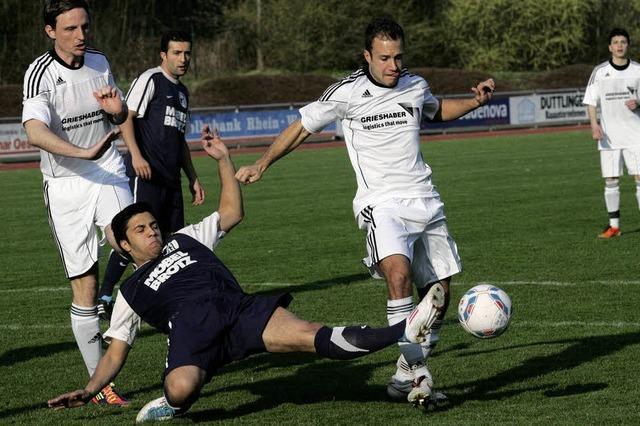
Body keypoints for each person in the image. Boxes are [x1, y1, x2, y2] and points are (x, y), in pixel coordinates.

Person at [47, 126, 445, 422]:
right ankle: (170, 407)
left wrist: (223, 159)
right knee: (180, 389)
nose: (152, 231)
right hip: (194, 339)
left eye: (153, 225)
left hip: (240, 313)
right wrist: (90, 389)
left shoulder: (184, 239)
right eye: (141, 230)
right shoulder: (131, 291)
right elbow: (117, 351)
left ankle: (404, 330)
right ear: (125, 246)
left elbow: (232, 213)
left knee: (312, 335)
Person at [235, 17, 495, 405]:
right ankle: (420, 374)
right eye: (385, 58)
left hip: (425, 198)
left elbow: (436, 111)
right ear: (367, 56)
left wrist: (475, 101)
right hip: (381, 203)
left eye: (398, 57)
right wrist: (262, 163)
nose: (393, 66)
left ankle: (405, 373)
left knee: (439, 292)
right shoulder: (347, 92)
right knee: (398, 274)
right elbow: (302, 127)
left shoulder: (414, 85)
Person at [21, 0, 132, 405]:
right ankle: (101, 384)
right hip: (66, 185)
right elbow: (33, 131)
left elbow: (119, 115)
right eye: (70, 29)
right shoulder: (39, 74)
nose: (81, 35)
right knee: (84, 285)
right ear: (51, 31)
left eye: (85, 26)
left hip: (106, 169)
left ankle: (185, 343)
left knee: (139, 246)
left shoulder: (100, 61)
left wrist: (121, 118)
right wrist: (78, 153)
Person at [97, 30, 205, 320]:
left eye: (187, 54)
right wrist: (136, 155)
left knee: (171, 241)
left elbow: (179, 140)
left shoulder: (182, 93)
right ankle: (105, 294)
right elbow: (127, 116)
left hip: (171, 181)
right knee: (137, 238)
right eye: (177, 53)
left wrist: (192, 176)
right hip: (145, 176)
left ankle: (168, 297)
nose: (183, 59)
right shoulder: (150, 79)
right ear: (163, 55)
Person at [583, 28, 640, 239]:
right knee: (611, 180)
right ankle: (614, 226)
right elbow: (590, 101)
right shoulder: (599, 71)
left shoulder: (638, 70)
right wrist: (593, 124)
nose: (619, 45)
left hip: (636, 135)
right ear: (610, 47)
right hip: (608, 136)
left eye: (623, 42)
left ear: (627, 45)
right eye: (615, 42)